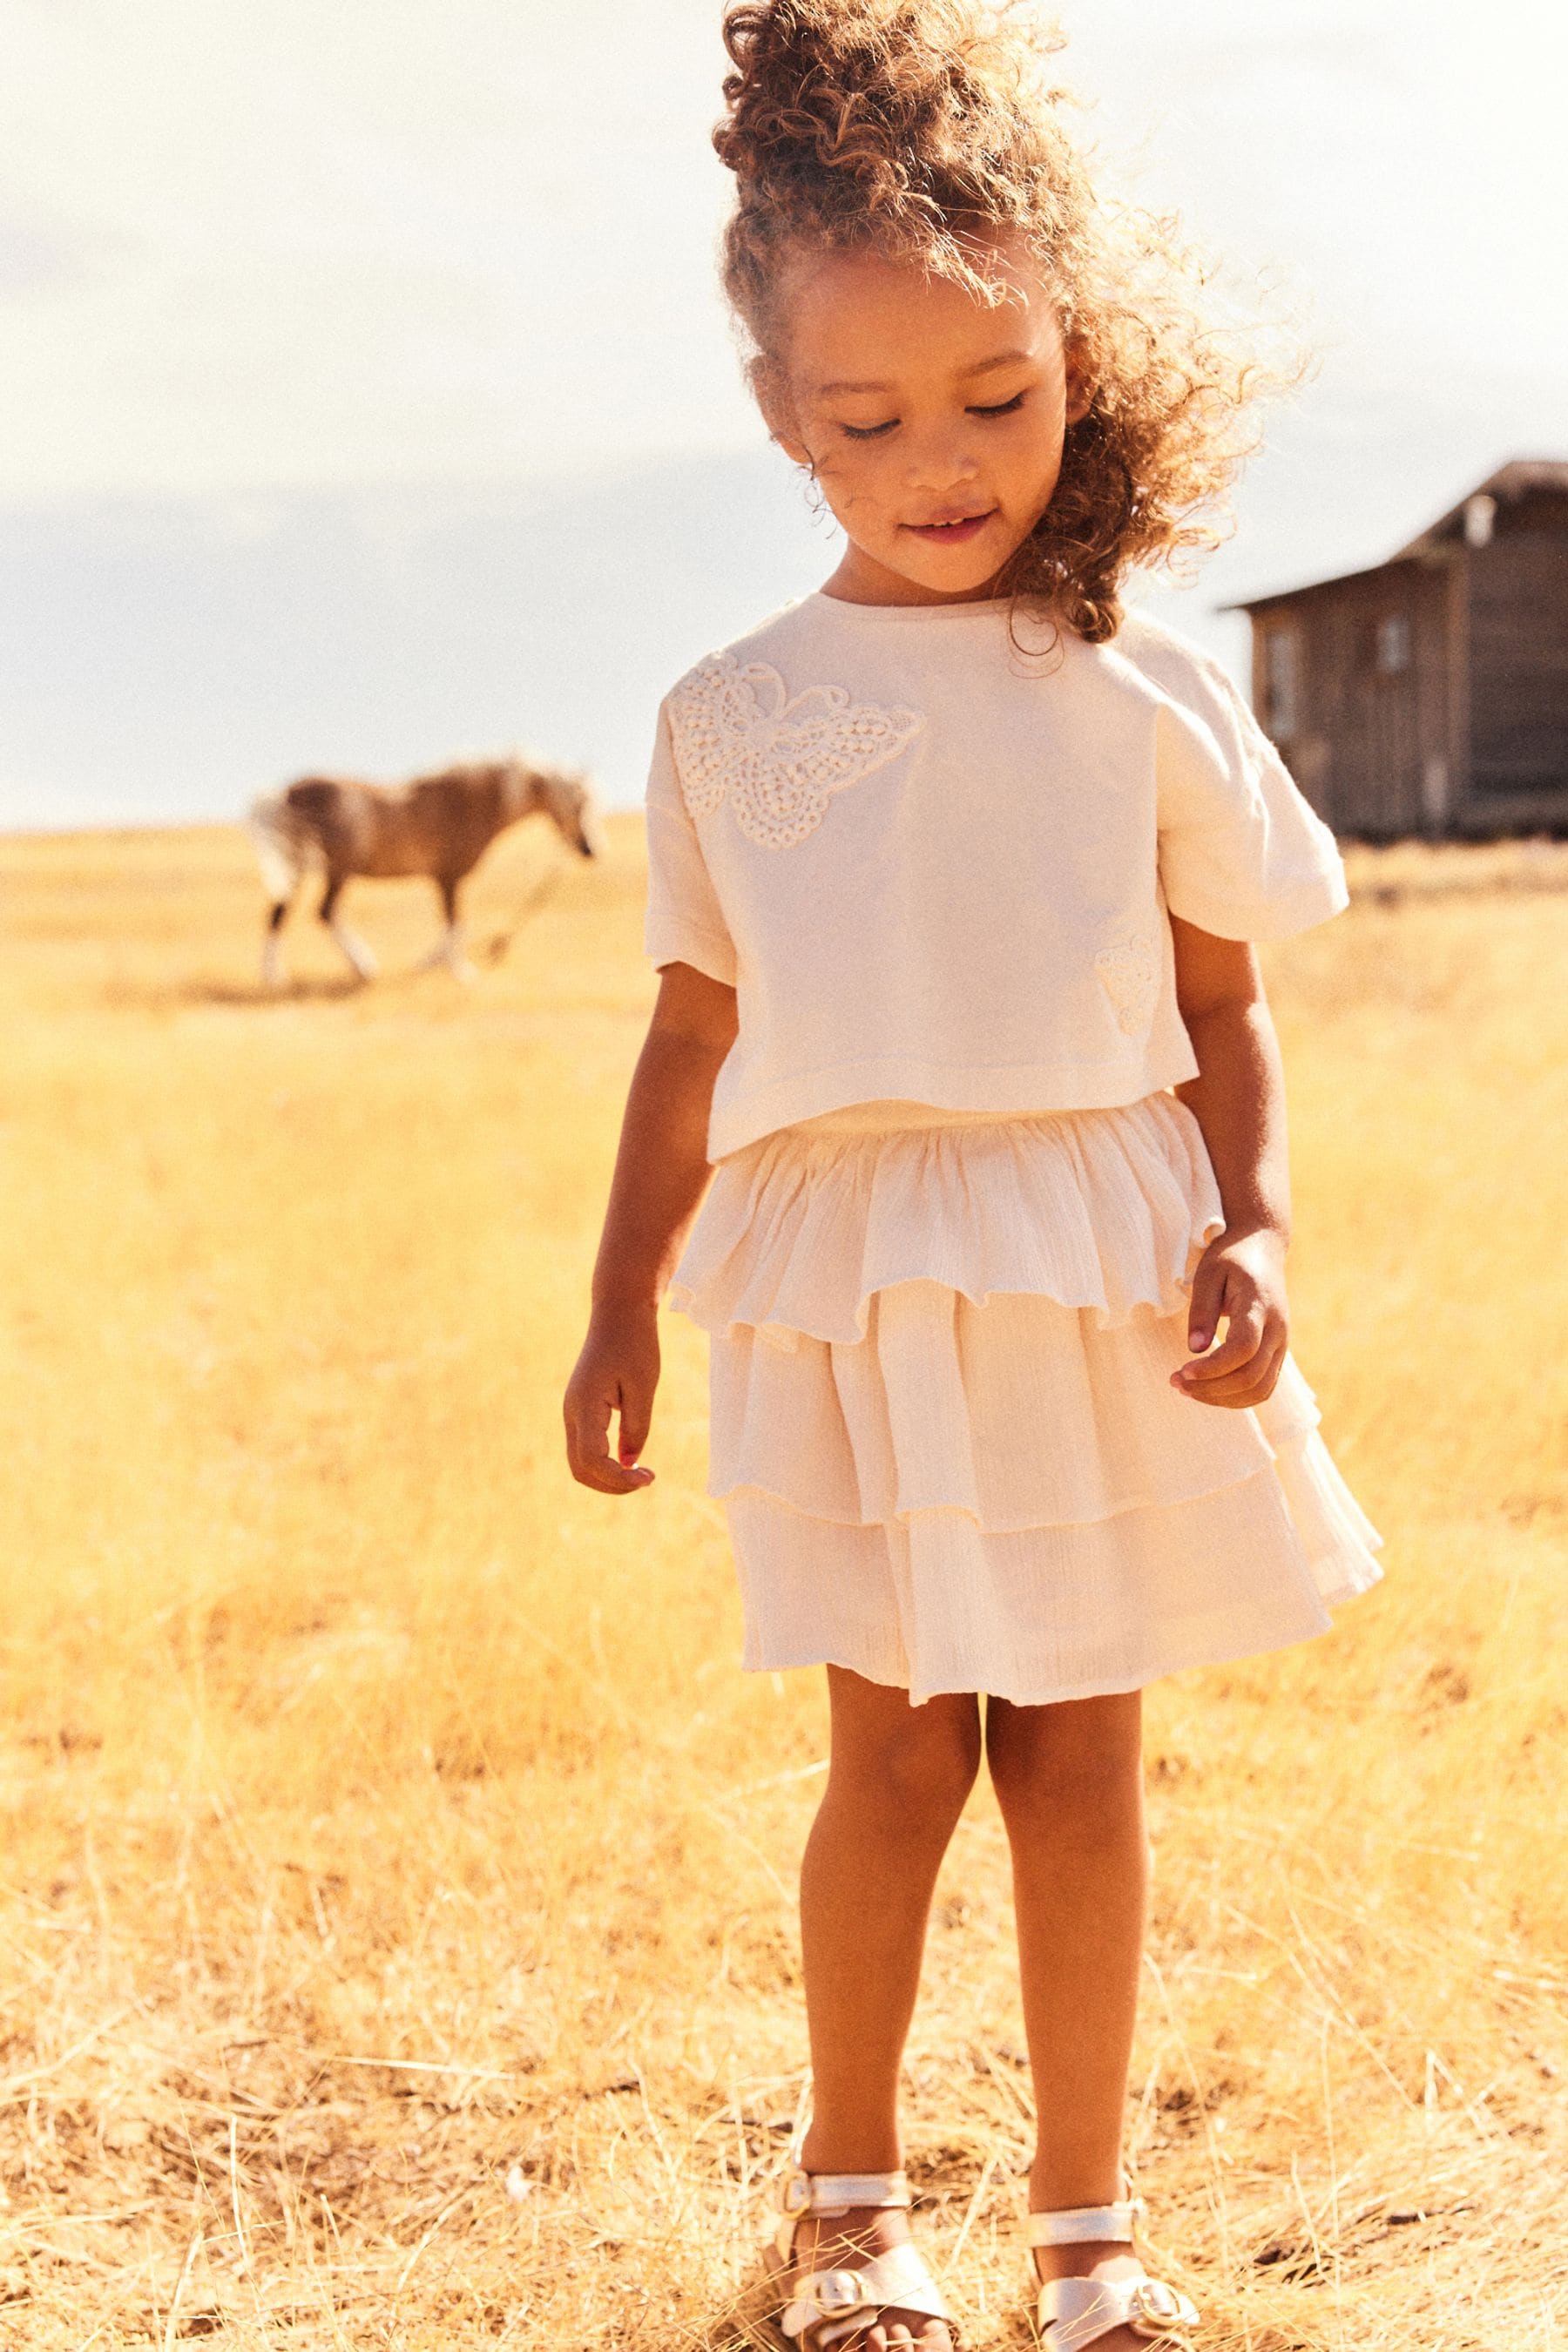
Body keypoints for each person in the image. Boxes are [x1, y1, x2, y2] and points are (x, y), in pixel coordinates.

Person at [564, 4, 1382, 2344]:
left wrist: (1258, 1224)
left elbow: (1229, 1010)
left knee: (1087, 1759)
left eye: (999, 400)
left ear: (1079, 355)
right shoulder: (732, 709)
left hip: (1105, 1271)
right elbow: (689, 1036)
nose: (943, 461)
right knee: (896, 1749)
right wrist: (619, 1305)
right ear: (775, 417)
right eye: (869, 419)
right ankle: (848, 2212)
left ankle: (1092, 2234)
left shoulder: (1142, 678)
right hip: (861, 1288)